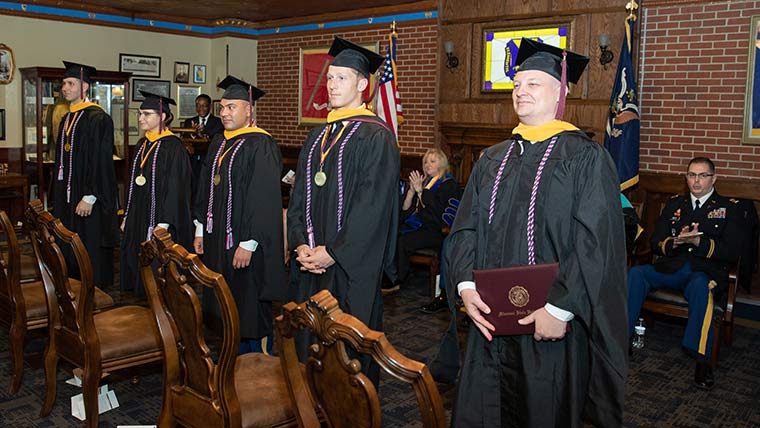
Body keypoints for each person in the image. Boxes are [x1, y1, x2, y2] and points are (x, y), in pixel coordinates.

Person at [447, 38, 628, 427]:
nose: (520, 91)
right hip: (490, 322)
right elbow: (464, 229)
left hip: (548, 324)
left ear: (561, 92)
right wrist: (465, 287)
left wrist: (561, 307)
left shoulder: (585, 158)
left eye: (533, 84)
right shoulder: (493, 158)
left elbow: (596, 244)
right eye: (516, 84)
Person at [287, 36, 400, 384]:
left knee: (347, 351)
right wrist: (301, 244)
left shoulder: (376, 137)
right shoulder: (319, 136)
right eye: (330, 78)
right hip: (312, 262)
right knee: (310, 346)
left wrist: (334, 252)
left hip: (349, 267)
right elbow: (299, 198)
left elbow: (373, 207)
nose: (331, 85)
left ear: (363, 85)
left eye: (342, 78)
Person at [627, 157, 740, 390]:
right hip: (672, 267)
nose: (696, 181)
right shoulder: (675, 204)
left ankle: (702, 359)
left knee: (701, 287)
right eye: (691, 175)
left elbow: (731, 251)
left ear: (714, 178)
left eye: (703, 175)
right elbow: (656, 242)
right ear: (686, 178)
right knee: (636, 274)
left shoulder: (729, 208)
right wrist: (675, 242)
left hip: (702, 271)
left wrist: (700, 241)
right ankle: (621, 339)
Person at [193, 76, 284, 354]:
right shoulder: (219, 142)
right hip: (217, 236)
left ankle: (254, 359)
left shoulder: (261, 145)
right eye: (222, 107)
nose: (224, 113)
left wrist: (249, 242)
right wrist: (199, 229)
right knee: (222, 298)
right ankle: (230, 352)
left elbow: (264, 198)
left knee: (246, 300)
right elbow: (205, 187)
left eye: (232, 107)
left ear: (249, 110)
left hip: (244, 241)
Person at [50, 61, 119, 289]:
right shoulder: (67, 119)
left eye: (70, 83)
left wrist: (90, 196)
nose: (65, 88)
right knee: (69, 239)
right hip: (69, 195)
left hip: (88, 197)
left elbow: (101, 162)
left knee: (89, 242)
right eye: (63, 84)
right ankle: (73, 286)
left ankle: (95, 288)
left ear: (84, 87)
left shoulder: (97, 119)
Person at [120, 91, 192, 297]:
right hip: (139, 213)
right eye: (140, 113)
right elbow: (133, 182)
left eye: (146, 114)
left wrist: (164, 223)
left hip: (161, 218)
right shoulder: (143, 144)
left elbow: (177, 188)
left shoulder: (174, 147)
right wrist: (127, 215)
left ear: (162, 116)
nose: (141, 118)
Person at [384, 149, 459, 300]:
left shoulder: (448, 184)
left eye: (432, 161)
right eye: (426, 161)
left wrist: (420, 192)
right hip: (420, 228)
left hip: (437, 232)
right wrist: (412, 192)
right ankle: (387, 273)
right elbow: (405, 212)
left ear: (442, 164)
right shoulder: (424, 182)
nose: (427, 165)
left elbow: (435, 215)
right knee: (391, 233)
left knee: (403, 241)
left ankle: (397, 279)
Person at [183, 94, 224, 199]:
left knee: (205, 189)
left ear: (209, 107)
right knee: (192, 188)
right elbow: (184, 139)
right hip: (192, 161)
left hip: (208, 160)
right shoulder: (189, 122)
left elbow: (215, 142)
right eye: (198, 105)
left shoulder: (218, 122)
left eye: (204, 105)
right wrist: (192, 135)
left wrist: (200, 134)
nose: (201, 108)